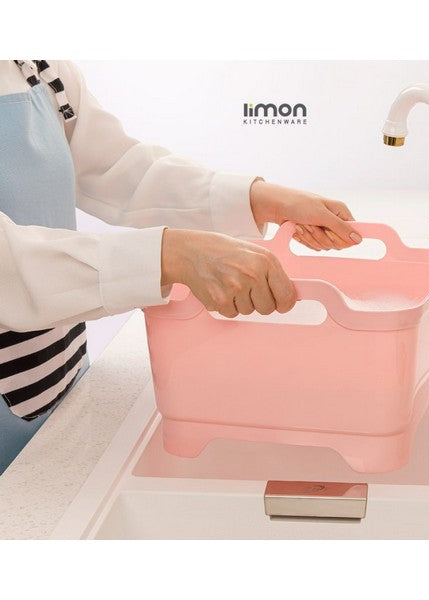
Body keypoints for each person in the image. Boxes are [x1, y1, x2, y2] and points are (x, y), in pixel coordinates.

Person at [0, 60, 362, 474]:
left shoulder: (37, 64)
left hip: (57, 378)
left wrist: (259, 199)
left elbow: (118, 168)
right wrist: (169, 255)